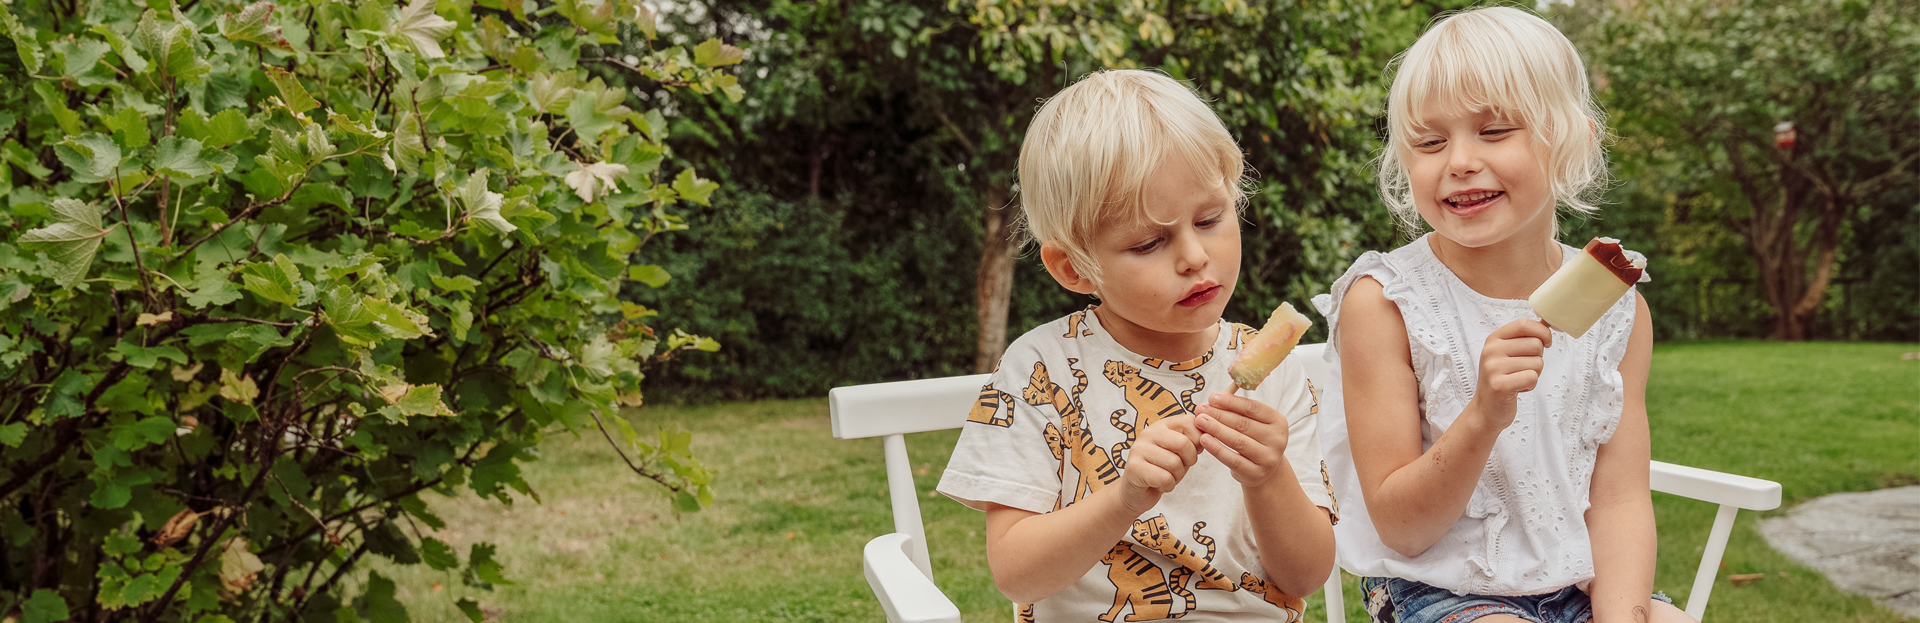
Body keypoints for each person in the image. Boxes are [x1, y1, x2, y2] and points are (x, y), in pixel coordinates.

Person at [1310, 7, 1691, 623]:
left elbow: (1619, 499)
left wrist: (1621, 614)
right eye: (1430, 141)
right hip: (1440, 588)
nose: (1458, 160)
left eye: (1494, 132)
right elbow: (1402, 528)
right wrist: (1484, 416)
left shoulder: (1619, 309)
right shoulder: (1384, 304)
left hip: (1578, 582)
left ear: (1574, 140)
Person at [935, 69, 1338, 622]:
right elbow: (1017, 574)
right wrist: (1123, 500)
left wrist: (1269, 478)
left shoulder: (1278, 378)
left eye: (1210, 218)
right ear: (1076, 269)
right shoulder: (1041, 370)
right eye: (1149, 242)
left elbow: (1305, 575)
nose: (1194, 256)